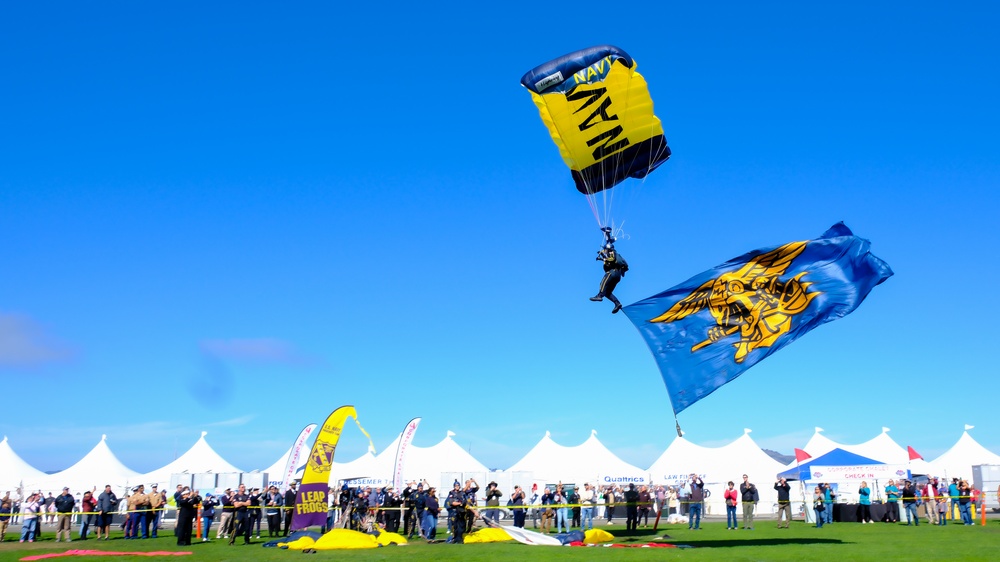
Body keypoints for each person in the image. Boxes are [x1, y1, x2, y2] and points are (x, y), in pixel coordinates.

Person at [589, 228, 628, 314]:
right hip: (618, 276)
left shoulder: (611, 252)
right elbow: (608, 242)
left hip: (612, 272)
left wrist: (603, 256)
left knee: (603, 282)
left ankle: (599, 296)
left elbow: (611, 258)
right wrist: (607, 234)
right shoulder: (613, 252)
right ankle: (617, 303)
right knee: (607, 292)